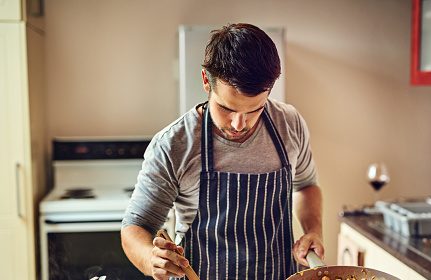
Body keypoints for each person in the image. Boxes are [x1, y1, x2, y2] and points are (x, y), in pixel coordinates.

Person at [121, 23, 324, 280]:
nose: (239, 124)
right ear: (207, 80)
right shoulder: (173, 145)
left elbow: (306, 185)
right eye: (227, 108)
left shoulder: (289, 123)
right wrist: (152, 259)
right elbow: (136, 227)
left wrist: (313, 230)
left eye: (254, 110)